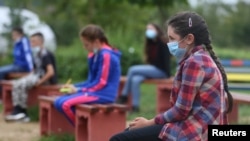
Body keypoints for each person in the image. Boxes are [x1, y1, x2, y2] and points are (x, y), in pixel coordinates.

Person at [109, 11, 233, 141]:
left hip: (195, 132)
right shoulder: (201, 58)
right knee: (130, 132)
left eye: (172, 38)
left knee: (119, 139)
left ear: (189, 39)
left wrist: (148, 123)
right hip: (198, 127)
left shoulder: (194, 63)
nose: (169, 43)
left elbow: (181, 111)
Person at [53, 24, 121, 126]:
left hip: (104, 94)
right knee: (58, 102)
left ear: (97, 42)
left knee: (65, 105)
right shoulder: (95, 55)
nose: (84, 47)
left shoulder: (106, 55)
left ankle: (84, 132)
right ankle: (81, 132)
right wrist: (74, 87)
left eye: (86, 44)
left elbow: (101, 83)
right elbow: (90, 81)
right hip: (94, 92)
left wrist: (79, 90)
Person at [116, 23, 171, 113]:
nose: (148, 31)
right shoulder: (150, 43)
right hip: (153, 70)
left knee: (132, 69)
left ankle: (124, 96)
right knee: (135, 79)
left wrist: (167, 75)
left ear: (157, 30)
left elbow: (166, 61)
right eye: (147, 29)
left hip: (162, 72)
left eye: (151, 29)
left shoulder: (162, 43)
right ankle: (135, 107)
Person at [5, 32, 57, 122]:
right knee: (17, 83)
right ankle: (18, 110)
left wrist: (40, 82)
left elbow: (50, 72)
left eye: (33, 41)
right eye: (30, 41)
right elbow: (34, 70)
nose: (31, 44)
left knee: (21, 84)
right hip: (35, 76)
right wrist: (26, 76)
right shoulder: (36, 55)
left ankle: (23, 112)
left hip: (44, 79)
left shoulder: (46, 54)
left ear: (41, 41)